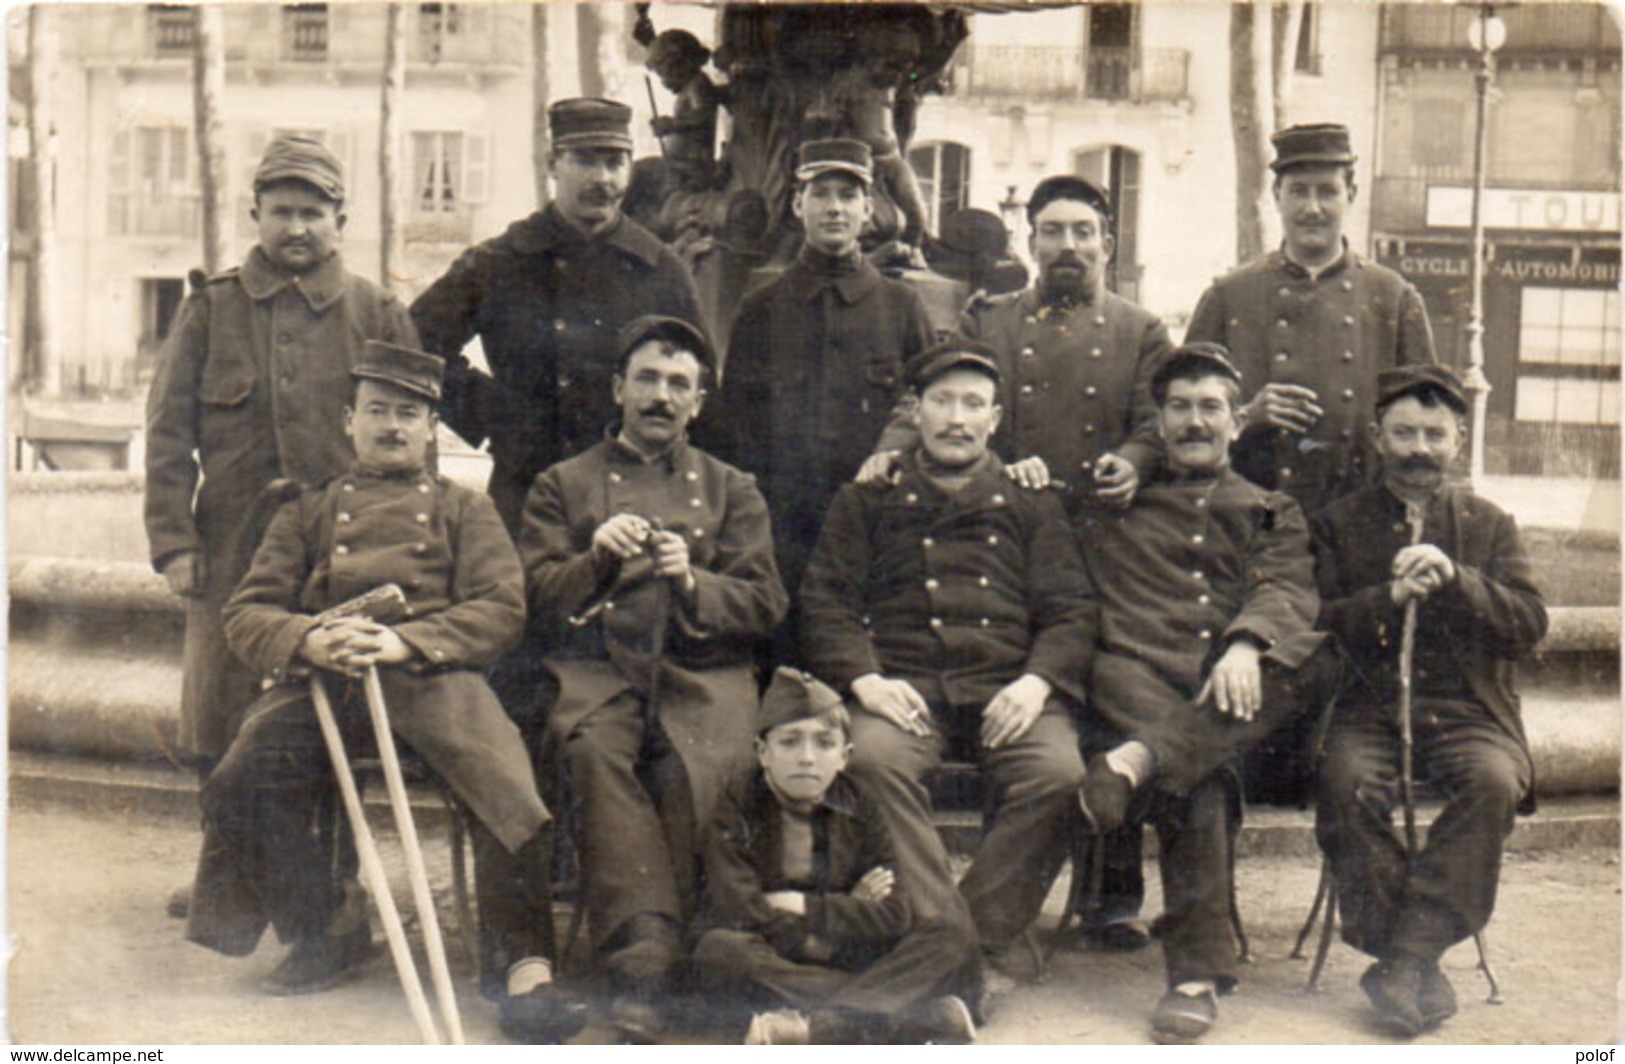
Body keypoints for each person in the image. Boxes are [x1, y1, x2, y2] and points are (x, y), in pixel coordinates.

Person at [187, 342, 586, 1042]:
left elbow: (501, 607)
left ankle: (523, 967)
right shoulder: (305, 512)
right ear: (349, 420)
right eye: (377, 412)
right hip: (324, 686)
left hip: (432, 680)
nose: (393, 427)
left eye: (409, 413)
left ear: (433, 426)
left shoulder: (467, 511)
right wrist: (308, 639)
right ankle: (325, 924)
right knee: (238, 780)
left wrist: (408, 641)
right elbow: (247, 612)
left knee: (509, 791)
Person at [518, 315, 788, 1040]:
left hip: (703, 672)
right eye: (647, 379)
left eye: (678, 384)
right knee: (593, 752)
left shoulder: (733, 489)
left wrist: (694, 583)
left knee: (700, 760)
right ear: (618, 388)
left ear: (698, 402)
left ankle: (707, 954)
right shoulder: (562, 484)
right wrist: (595, 560)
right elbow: (534, 596)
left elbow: (765, 601)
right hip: (597, 671)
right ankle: (643, 957)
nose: (660, 396)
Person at [799, 338, 1094, 992]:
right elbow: (825, 601)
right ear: (915, 410)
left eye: (972, 404)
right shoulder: (869, 498)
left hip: (1007, 688)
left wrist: (1035, 682)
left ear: (994, 419)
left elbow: (1071, 608)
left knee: (1057, 773)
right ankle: (951, 944)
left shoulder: (1031, 500)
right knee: (870, 760)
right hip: (903, 691)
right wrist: (865, 680)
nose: (956, 418)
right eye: (941, 401)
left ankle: (970, 936)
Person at [144, 134, 418, 811]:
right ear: (256, 216)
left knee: (335, 702)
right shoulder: (211, 308)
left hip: (340, 543)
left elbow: (412, 443)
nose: (296, 227)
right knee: (218, 701)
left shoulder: (376, 313)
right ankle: (224, 865)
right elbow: (167, 435)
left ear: (340, 222)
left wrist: (406, 544)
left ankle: (333, 876)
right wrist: (176, 545)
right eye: (282, 211)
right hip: (231, 541)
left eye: (312, 213)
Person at [1076, 343, 1331, 1043]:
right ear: (1157, 422)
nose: (1195, 422)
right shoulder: (1118, 506)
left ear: (1236, 418)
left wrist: (1246, 643)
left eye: (1210, 407)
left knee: (1304, 653)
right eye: (1179, 408)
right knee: (1201, 778)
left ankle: (1141, 760)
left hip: (1236, 701)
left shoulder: (1268, 508)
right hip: (1136, 688)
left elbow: (1284, 588)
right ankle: (1193, 980)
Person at [1184, 121, 1438, 805]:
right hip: (1258, 531)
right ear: (1276, 197)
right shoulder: (1229, 296)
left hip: (1355, 527)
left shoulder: (1393, 297)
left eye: (1327, 190)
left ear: (1349, 194)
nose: (1313, 208)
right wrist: (1245, 417)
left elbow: (1428, 428)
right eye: (1299, 191)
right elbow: (1180, 422)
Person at [951, 174, 1175, 949]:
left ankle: (1110, 898)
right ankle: (1003, 899)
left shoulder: (1141, 329)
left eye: (1083, 231)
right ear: (1031, 241)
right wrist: (1003, 467)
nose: (1069, 246)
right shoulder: (991, 321)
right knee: (1015, 706)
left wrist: (1133, 460)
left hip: (1109, 547)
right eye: (1053, 232)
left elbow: (1155, 420)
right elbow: (963, 412)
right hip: (1013, 548)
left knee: (1112, 704)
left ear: (1106, 244)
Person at [1310, 365, 1545, 1037]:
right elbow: (1315, 624)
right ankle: (1414, 957)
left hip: (1467, 709)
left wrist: (1458, 581)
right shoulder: (1336, 524)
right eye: (1404, 432)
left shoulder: (1489, 523)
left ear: (1458, 439)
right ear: (1376, 437)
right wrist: (1386, 600)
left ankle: (1404, 956)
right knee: (1344, 783)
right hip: (1367, 709)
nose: (1418, 448)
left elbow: (1528, 624)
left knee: (1493, 781)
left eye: (1433, 434)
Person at [410, 97, 703, 532]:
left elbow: (701, 378)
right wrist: (492, 415)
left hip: (634, 490)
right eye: (585, 161)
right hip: (527, 484)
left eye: (615, 162)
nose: (602, 179)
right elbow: (413, 340)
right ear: (552, 164)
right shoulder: (503, 260)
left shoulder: (658, 268)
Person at [718, 138, 935, 645]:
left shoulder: (901, 308)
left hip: (876, 528)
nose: (834, 208)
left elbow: (925, 408)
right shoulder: (762, 307)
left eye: (848, 195)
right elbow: (734, 426)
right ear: (798, 205)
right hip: (781, 529)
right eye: (820, 194)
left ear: (868, 209)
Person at [693, 667, 980, 1045]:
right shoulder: (736, 806)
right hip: (777, 956)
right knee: (720, 951)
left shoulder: (863, 804)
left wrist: (803, 905)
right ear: (763, 753)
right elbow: (741, 911)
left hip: (839, 952)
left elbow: (895, 913)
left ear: (844, 756)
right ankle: (905, 1015)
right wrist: (846, 911)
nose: (807, 758)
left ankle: (821, 1024)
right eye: (790, 742)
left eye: (824, 743)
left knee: (950, 934)